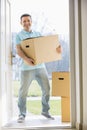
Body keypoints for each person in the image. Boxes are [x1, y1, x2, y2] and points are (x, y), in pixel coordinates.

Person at [15, 13, 62, 123]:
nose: (26, 23)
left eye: (28, 20)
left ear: (31, 21)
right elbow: (18, 50)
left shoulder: (38, 33)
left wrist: (57, 50)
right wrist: (27, 60)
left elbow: (45, 48)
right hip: (26, 69)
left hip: (41, 67)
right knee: (23, 92)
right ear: (21, 23)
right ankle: (22, 114)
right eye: (24, 21)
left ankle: (45, 111)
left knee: (46, 89)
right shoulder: (19, 36)